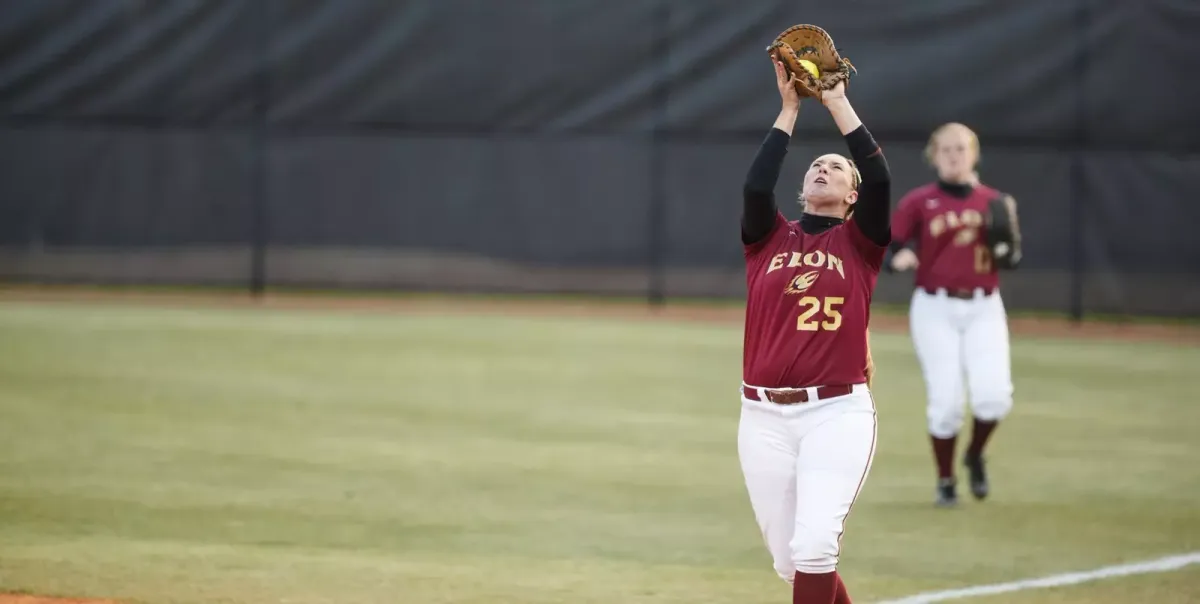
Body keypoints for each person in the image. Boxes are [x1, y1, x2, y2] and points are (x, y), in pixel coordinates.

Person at [737, 57, 891, 604]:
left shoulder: (861, 244)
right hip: (762, 416)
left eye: (837, 168)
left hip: (835, 413)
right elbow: (757, 187)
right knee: (790, 560)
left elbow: (880, 176)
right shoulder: (767, 242)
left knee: (817, 546)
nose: (824, 169)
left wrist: (837, 103)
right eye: (817, 166)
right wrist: (789, 109)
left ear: (853, 197)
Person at [888, 122, 1016, 507]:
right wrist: (899, 257)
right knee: (945, 403)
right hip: (934, 306)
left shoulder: (995, 202)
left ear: (974, 153)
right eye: (945, 149)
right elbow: (890, 245)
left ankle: (974, 454)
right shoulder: (918, 202)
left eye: (960, 148)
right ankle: (945, 480)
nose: (954, 155)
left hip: (983, 305)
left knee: (994, 398)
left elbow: (1012, 257)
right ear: (934, 156)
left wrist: (1008, 247)